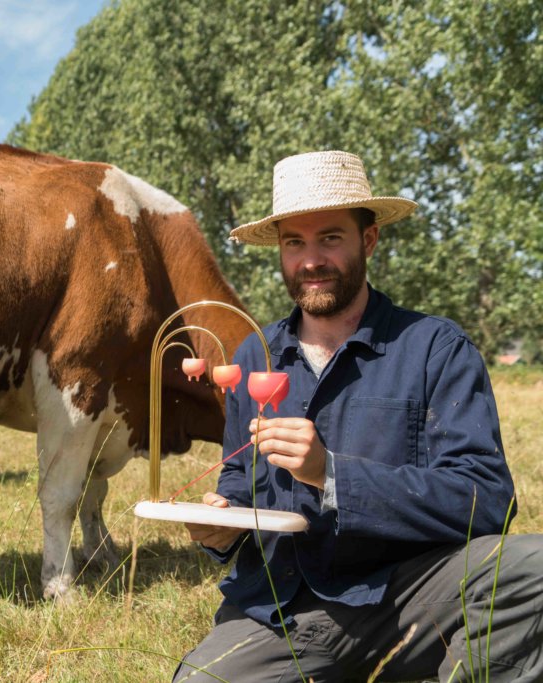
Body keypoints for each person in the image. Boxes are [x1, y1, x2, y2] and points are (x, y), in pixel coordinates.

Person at [174, 151, 543, 682]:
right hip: (285, 611)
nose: (310, 260)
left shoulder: (435, 348)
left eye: (330, 237)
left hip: (412, 595)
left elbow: (487, 500)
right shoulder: (255, 356)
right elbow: (239, 481)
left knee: (530, 571)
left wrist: (332, 475)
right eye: (293, 243)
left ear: (367, 240)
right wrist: (220, 527)